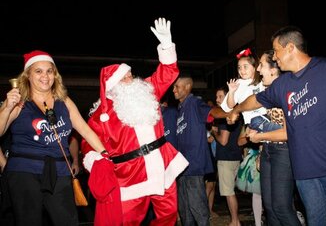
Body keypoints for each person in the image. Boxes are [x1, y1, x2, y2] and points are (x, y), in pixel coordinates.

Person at [228, 26, 326, 226]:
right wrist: (236, 110)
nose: (275, 57)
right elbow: (256, 100)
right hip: (305, 173)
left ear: (289, 48)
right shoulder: (283, 84)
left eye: (276, 50)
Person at [81, 17, 189, 225]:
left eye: (130, 74)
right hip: (130, 175)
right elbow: (87, 143)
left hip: (161, 164)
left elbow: (166, 73)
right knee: (129, 220)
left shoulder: (146, 90)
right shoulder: (100, 116)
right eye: (124, 77)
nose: (131, 80)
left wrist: (166, 45)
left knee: (168, 215)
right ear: (112, 86)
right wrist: (95, 159)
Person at [0, 50, 107, 226]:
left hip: (59, 170)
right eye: (38, 71)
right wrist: (6, 107)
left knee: (67, 221)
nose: (45, 76)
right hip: (24, 171)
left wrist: (104, 154)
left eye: (49, 71)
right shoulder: (19, 101)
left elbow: (85, 130)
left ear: (55, 75)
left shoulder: (63, 100)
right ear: (27, 75)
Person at [246, 50, 302, 226]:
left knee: (282, 208)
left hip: (284, 152)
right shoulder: (269, 91)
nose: (259, 70)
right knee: (269, 208)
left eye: (262, 65)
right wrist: (262, 149)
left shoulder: (286, 90)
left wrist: (258, 137)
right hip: (269, 151)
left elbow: (287, 132)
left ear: (273, 70)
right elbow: (270, 122)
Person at [173, 76, 230, 225]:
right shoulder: (181, 108)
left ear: (187, 87)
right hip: (181, 167)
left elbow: (212, 112)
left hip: (193, 165)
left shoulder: (194, 103)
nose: (174, 90)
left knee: (198, 208)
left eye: (177, 87)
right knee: (185, 210)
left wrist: (228, 113)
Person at [210, 87, 243, 226]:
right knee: (231, 191)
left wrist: (213, 133)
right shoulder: (237, 114)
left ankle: (235, 221)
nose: (217, 99)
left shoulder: (225, 116)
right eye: (216, 96)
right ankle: (235, 220)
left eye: (220, 96)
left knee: (228, 192)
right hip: (236, 155)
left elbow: (223, 141)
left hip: (226, 158)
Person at [221, 48, 267, 130]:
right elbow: (229, 106)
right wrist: (231, 92)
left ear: (255, 66)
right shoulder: (239, 83)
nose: (241, 70)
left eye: (245, 67)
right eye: (239, 67)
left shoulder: (264, 80)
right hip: (252, 123)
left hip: (268, 118)